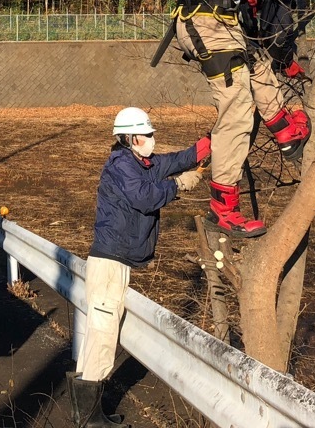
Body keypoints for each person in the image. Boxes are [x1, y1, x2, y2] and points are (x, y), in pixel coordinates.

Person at [170, 0, 315, 237]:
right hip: (211, 23)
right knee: (237, 114)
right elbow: (276, 28)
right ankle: (224, 209)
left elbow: (257, 26)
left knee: (257, 62)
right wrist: (287, 59)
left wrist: (278, 59)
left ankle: (285, 131)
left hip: (211, 18)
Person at [67, 106, 210, 428]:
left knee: (99, 335)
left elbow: (178, 160)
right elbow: (145, 197)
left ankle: (86, 415)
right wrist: (179, 186)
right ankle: (90, 420)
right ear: (130, 138)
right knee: (103, 336)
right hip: (109, 263)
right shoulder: (122, 165)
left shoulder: (142, 162)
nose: (152, 139)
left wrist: (212, 142)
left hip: (116, 260)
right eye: (147, 135)